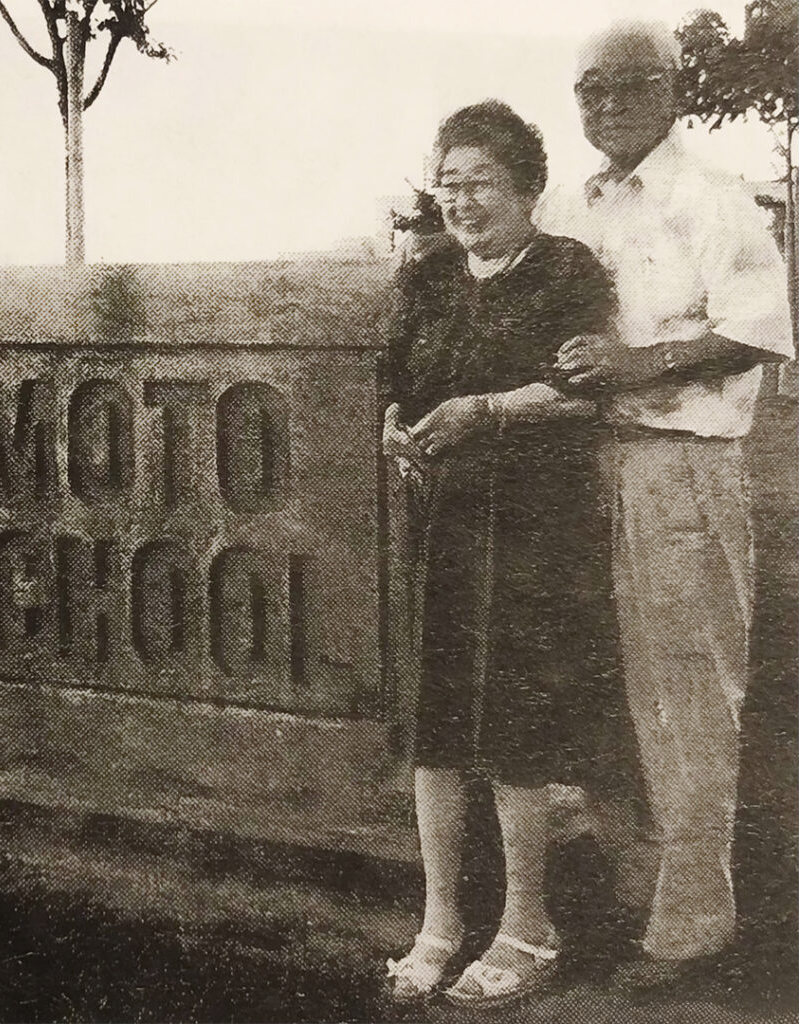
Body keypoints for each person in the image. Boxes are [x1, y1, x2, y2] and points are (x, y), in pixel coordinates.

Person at [538, 19, 794, 990]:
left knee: (684, 696)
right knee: (596, 689)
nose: (605, 105)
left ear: (671, 90)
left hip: (679, 467)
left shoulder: (713, 198)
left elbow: (759, 326)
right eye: (588, 90)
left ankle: (692, 928)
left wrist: (639, 363)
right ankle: (633, 896)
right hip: (581, 469)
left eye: (626, 85)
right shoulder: (569, 200)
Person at [382, 100, 630, 1008]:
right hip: (445, 522)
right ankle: (440, 921)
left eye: (481, 182)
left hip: (535, 527)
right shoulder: (427, 275)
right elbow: (397, 384)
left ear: (530, 185)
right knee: (438, 722)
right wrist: (397, 432)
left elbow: (586, 392)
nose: (462, 200)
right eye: (448, 184)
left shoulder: (566, 269)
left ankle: (530, 925)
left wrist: (489, 410)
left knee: (520, 721)